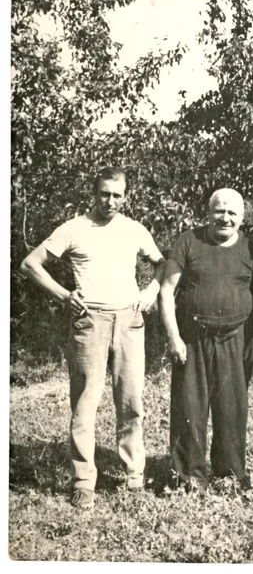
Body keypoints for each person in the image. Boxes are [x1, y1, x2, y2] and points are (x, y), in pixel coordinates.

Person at [20, 166, 165, 509]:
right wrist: (63, 295)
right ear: (94, 193)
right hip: (89, 323)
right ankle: (83, 481)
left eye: (117, 195)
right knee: (85, 405)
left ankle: (133, 476)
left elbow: (163, 264)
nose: (110, 201)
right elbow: (30, 264)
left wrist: (151, 292)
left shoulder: (134, 229)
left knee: (132, 403)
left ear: (125, 197)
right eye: (104, 193)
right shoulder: (74, 228)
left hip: (129, 322)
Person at [159, 188, 253, 491]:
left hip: (235, 338)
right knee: (188, 408)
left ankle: (229, 474)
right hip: (192, 338)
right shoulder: (189, 241)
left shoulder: (250, 247)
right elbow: (167, 291)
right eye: (219, 211)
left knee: (232, 409)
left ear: (242, 218)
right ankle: (187, 476)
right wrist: (173, 337)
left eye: (232, 213)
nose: (226, 217)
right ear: (208, 213)